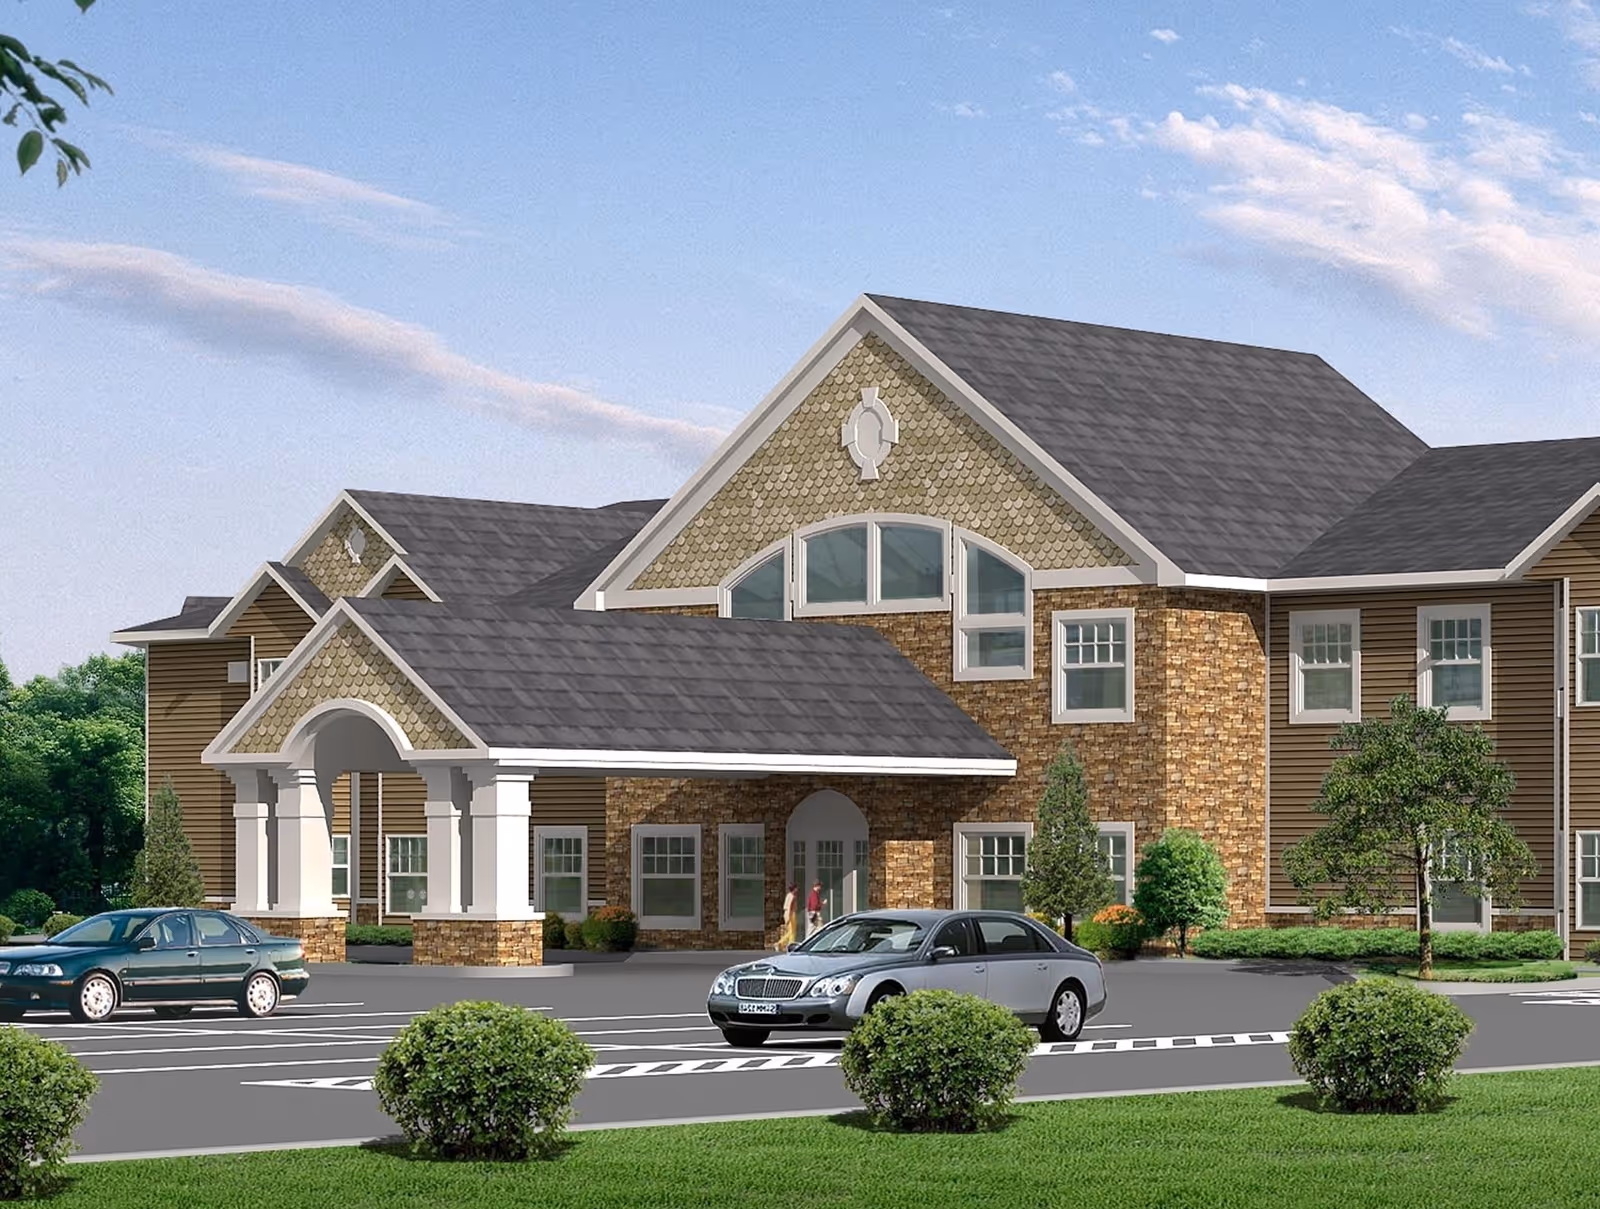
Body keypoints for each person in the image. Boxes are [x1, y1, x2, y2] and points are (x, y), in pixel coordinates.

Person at [779, 883, 799, 950]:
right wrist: (789, 917)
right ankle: (788, 944)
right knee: (793, 931)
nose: (797, 889)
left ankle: (781, 943)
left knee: (790, 931)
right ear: (794, 889)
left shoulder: (788, 895)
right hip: (791, 913)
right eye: (796, 888)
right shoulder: (792, 896)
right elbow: (790, 906)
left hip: (787, 912)